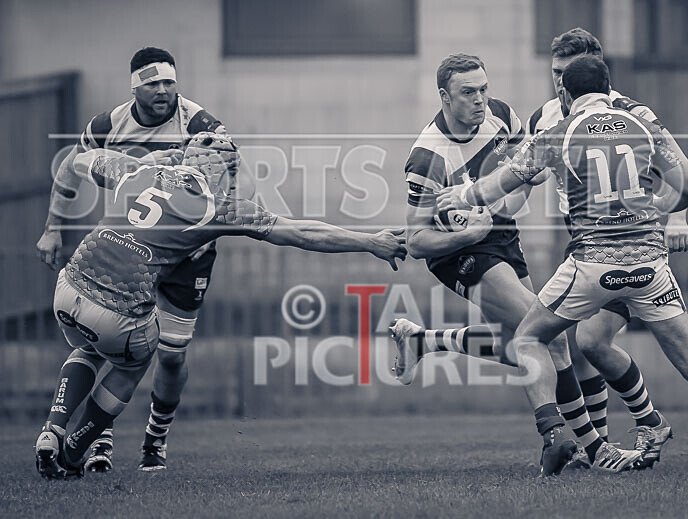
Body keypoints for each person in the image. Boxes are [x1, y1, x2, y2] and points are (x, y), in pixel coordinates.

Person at [444, 55, 688, 476]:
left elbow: (506, 180)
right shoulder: (644, 126)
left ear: (565, 94)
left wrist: (464, 196)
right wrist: (650, 209)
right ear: (608, 89)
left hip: (593, 266)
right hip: (650, 267)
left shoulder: (557, 133)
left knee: (529, 337)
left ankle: (553, 433)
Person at [35, 132, 408, 479]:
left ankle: (52, 429)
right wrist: (370, 242)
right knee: (133, 362)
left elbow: (74, 160)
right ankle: (73, 450)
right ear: (222, 172)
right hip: (118, 309)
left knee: (88, 348)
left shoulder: (136, 169)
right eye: (232, 173)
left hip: (68, 287)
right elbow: (303, 232)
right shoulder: (216, 206)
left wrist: (53, 225)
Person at [391, 53, 641, 474]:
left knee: (527, 340)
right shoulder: (426, 158)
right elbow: (416, 242)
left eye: (484, 88)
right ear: (444, 97)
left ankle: (425, 341)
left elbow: (529, 175)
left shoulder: (501, 116)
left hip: (503, 235)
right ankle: (590, 447)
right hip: (460, 252)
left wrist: (506, 197)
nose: (480, 100)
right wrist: (468, 233)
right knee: (549, 334)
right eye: (468, 92)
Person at [36, 47, 232, 472]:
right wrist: (53, 228)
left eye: (169, 82)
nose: (163, 90)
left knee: (172, 354)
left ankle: (154, 443)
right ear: (134, 88)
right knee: (104, 343)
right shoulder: (107, 124)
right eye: (152, 83)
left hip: (185, 255)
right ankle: (97, 443)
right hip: (127, 248)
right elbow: (72, 167)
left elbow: (226, 174)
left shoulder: (199, 124)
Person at [524, 27, 688, 468]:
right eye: (554, 72)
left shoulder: (630, 112)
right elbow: (532, 172)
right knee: (580, 345)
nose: (559, 83)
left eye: (566, 73)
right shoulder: (546, 117)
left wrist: (678, 215)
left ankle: (620, 436)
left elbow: (674, 167)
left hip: (628, 240)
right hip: (581, 238)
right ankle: (603, 443)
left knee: (583, 340)